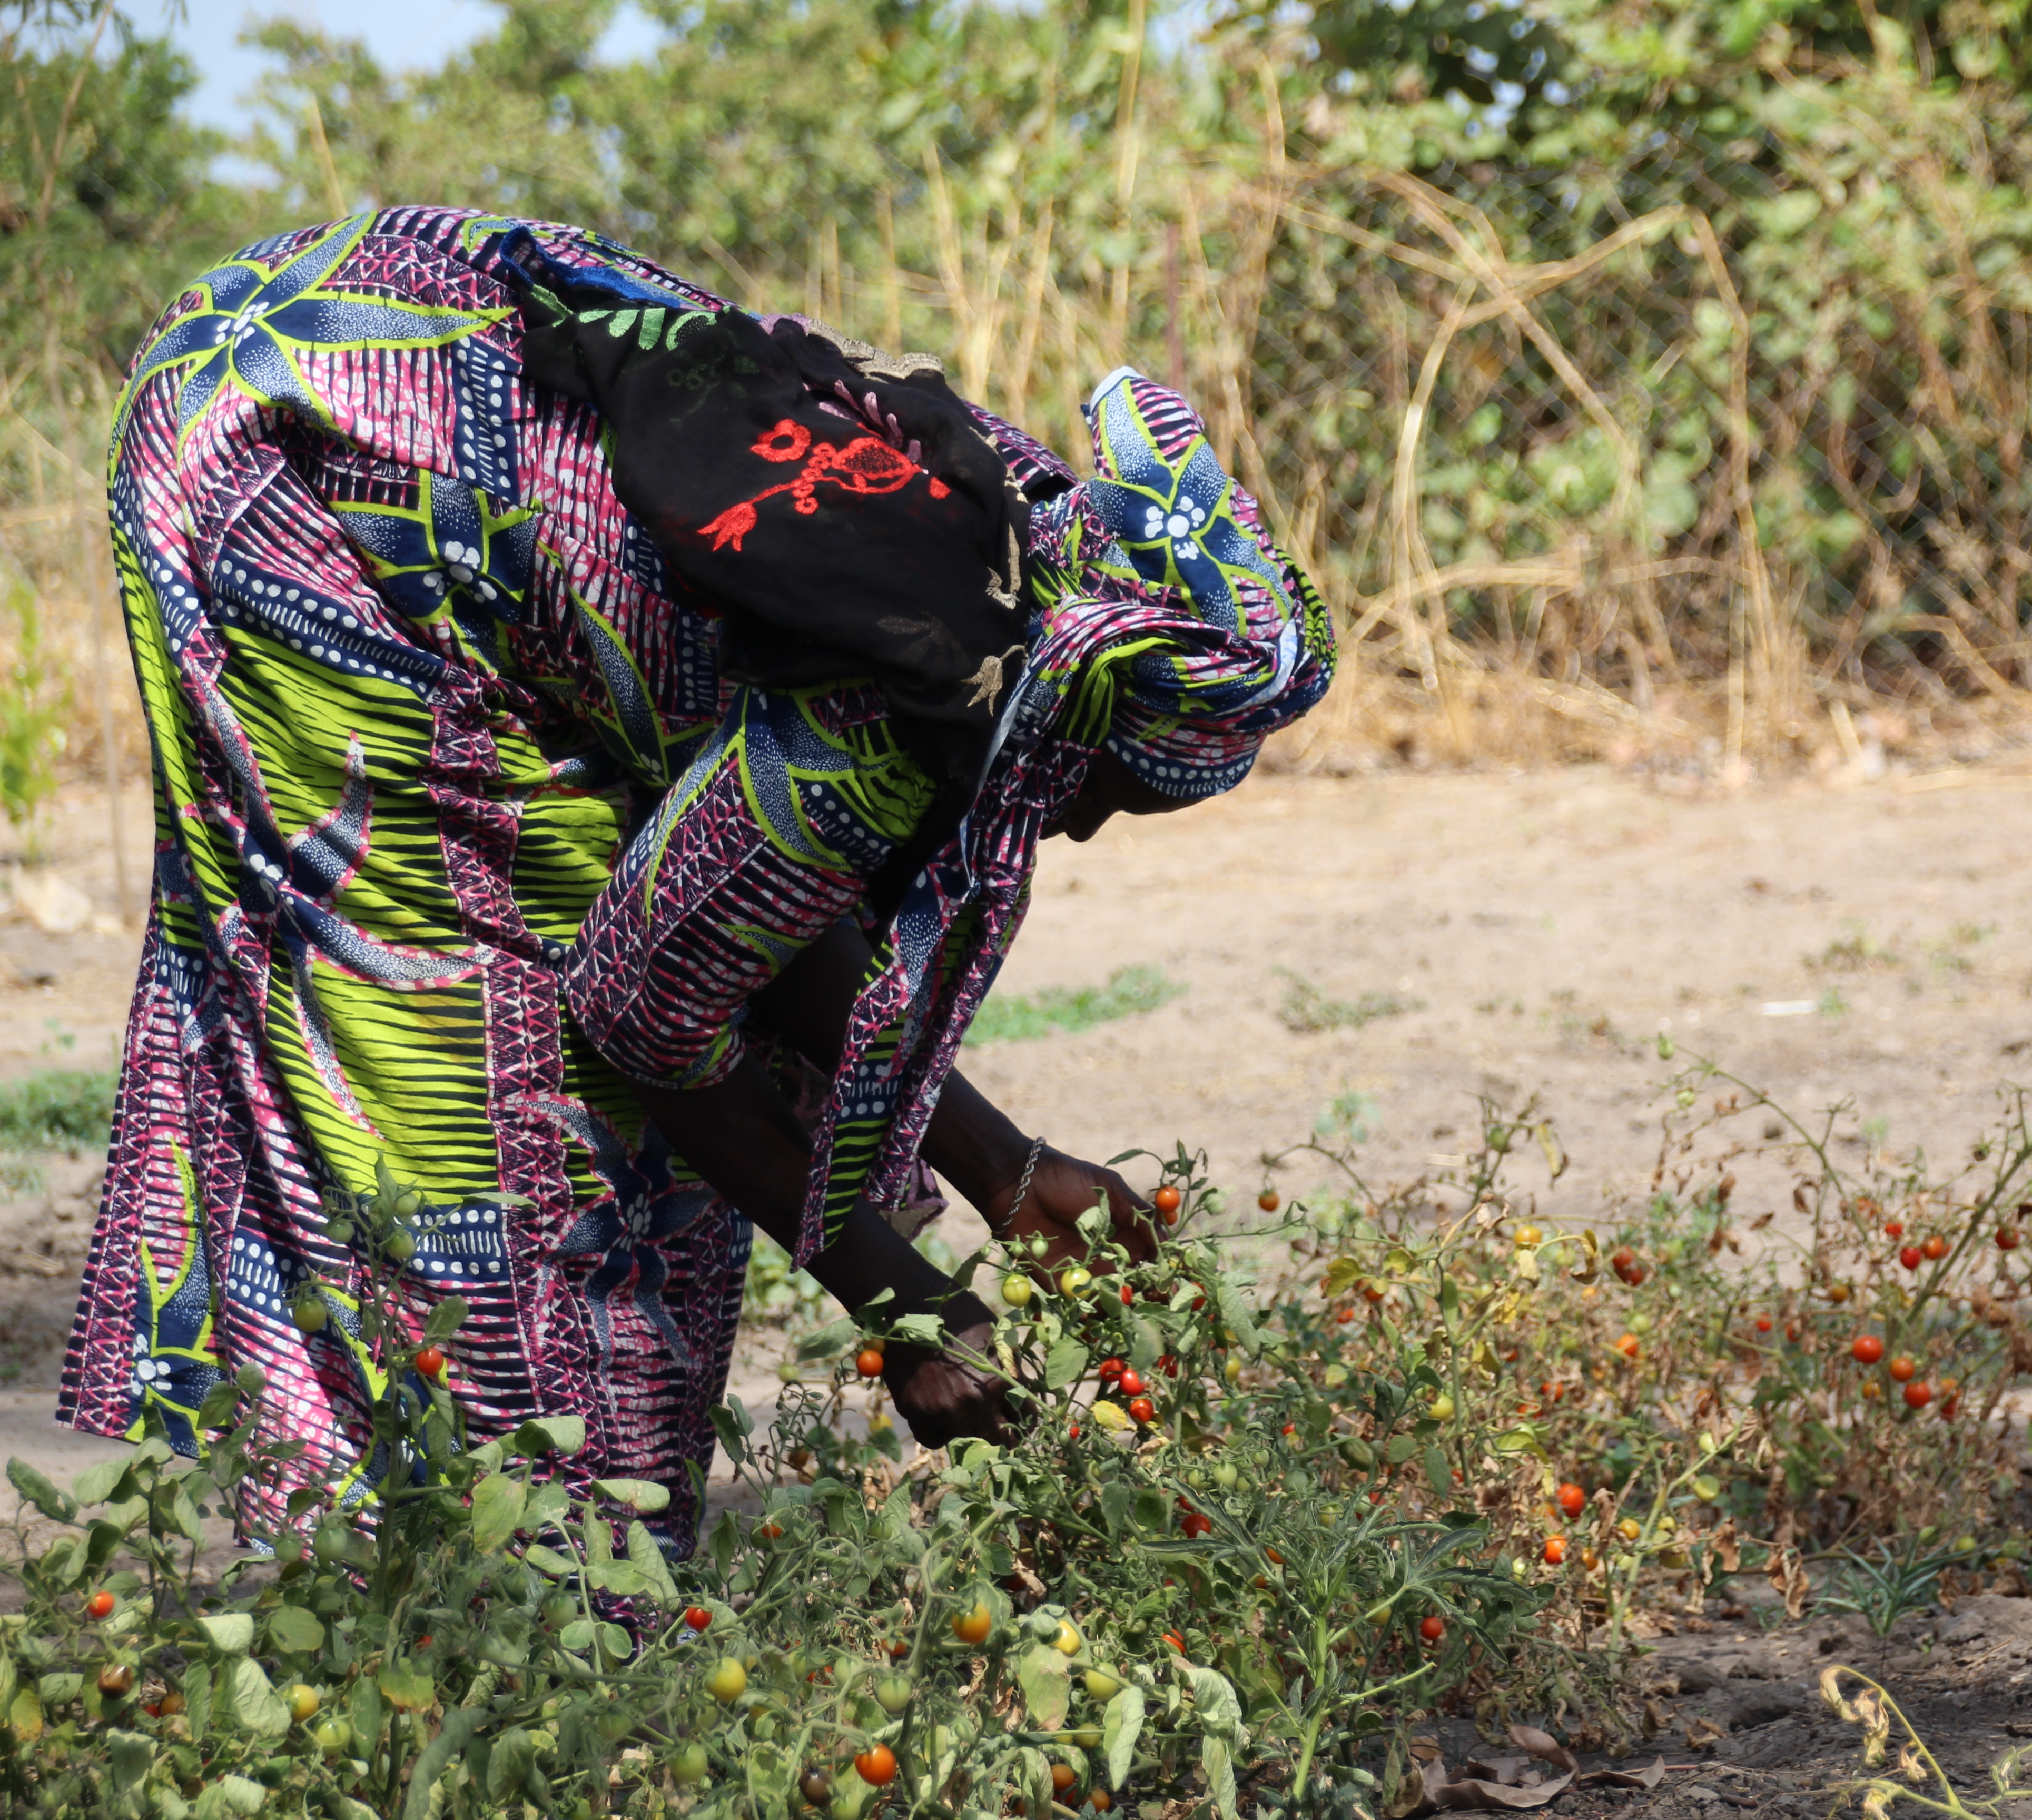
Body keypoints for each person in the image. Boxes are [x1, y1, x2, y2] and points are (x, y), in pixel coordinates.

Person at [56, 204, 1335, 1550]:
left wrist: (1013, 1177)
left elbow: (741, 911)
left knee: (626, 1004)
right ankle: (489, 1596)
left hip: (391, 350)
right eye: (1112, 794)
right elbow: (649, 1012)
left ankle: (528, 1567)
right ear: (1071, 720)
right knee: (488, 1073)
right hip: (304, 464)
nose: (1080, 832)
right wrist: (902, 1305)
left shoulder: (1020, 535)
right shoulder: (907, 688)